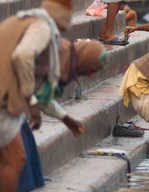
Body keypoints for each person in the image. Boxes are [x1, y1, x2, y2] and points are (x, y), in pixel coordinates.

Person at [0, 0, 74, 190]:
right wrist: (30, 100)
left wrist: (65, 118)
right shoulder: (42, 26)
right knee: (16, 158)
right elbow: (22, 55)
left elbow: (41, 95)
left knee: (9, 158)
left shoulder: (20, 20)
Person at [16, 38, 106, 192]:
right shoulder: (58, 53)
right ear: (85, 59)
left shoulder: (64, 59)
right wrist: (32, 104)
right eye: (92, 69)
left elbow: (43, 100)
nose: (90, 75)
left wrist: (67, 119)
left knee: (28, 150)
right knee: (18, 158)